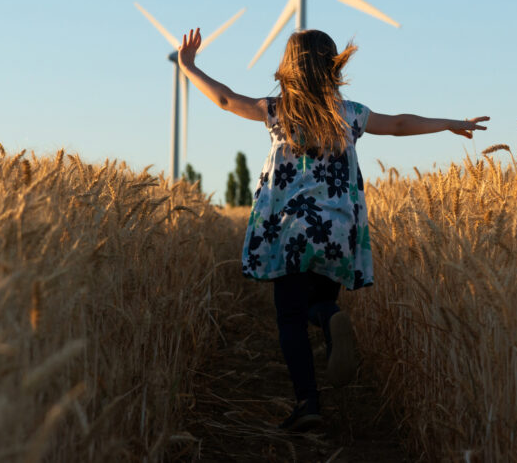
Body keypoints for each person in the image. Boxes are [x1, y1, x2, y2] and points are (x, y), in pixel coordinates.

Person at [177, 27, 489, 431]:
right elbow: (397, 124)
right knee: (317, 302)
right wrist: (450, 123)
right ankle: (328, 316)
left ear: (288, 67)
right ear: (333, 66)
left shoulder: (277, 111)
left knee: (289, 318)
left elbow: (225, 99)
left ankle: (308, 402)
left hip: (290, 230)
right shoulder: (350, 114)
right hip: (338, 230)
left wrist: (188, 65)